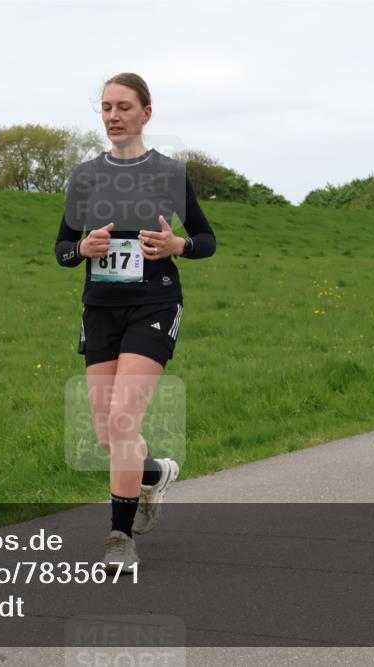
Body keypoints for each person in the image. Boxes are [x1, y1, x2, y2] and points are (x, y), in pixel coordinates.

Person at [54, 72, 217, 574]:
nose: (112, 116)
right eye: (105, 107)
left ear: (146, 113)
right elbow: (62, 249)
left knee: (124, 419)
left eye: (123, 106)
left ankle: (119, 540)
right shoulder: (85, 176)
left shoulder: (168, 174)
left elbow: (206, 239)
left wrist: (179, 246)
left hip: (155, 303)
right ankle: (155, 473)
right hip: (100, 308)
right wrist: (81, 248)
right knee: (108, 436)